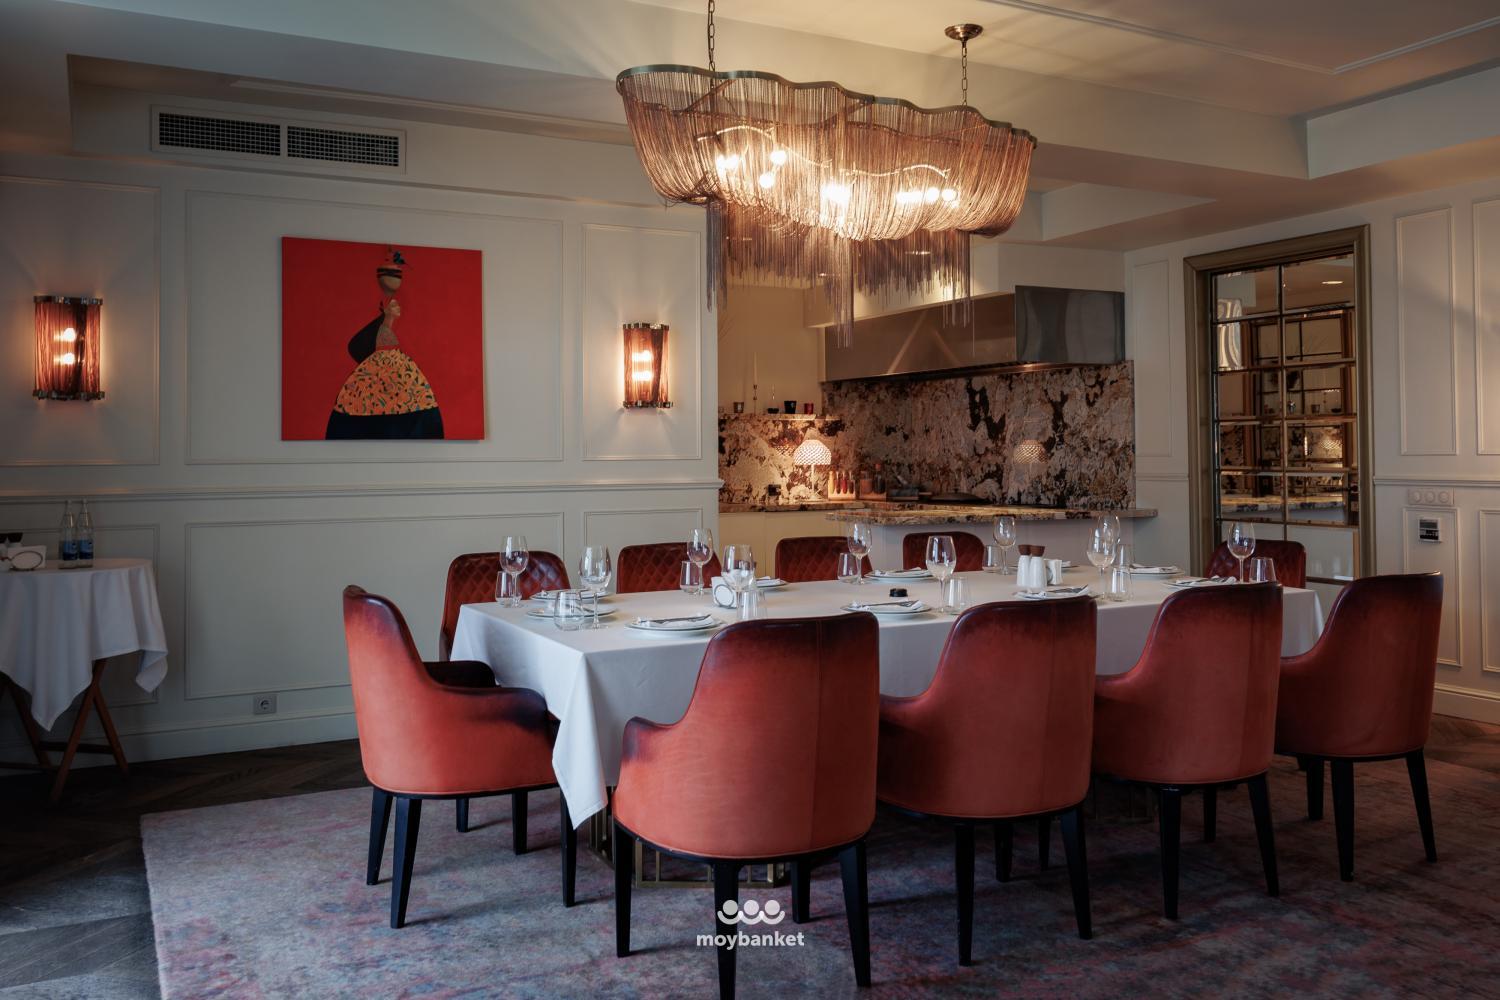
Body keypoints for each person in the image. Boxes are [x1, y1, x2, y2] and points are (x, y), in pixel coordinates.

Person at [325, 248, 445, 439]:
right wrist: (387, 318)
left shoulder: (399, 314)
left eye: (396, 272)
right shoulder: (381, 311)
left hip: (400, 383)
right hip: (379, 378)